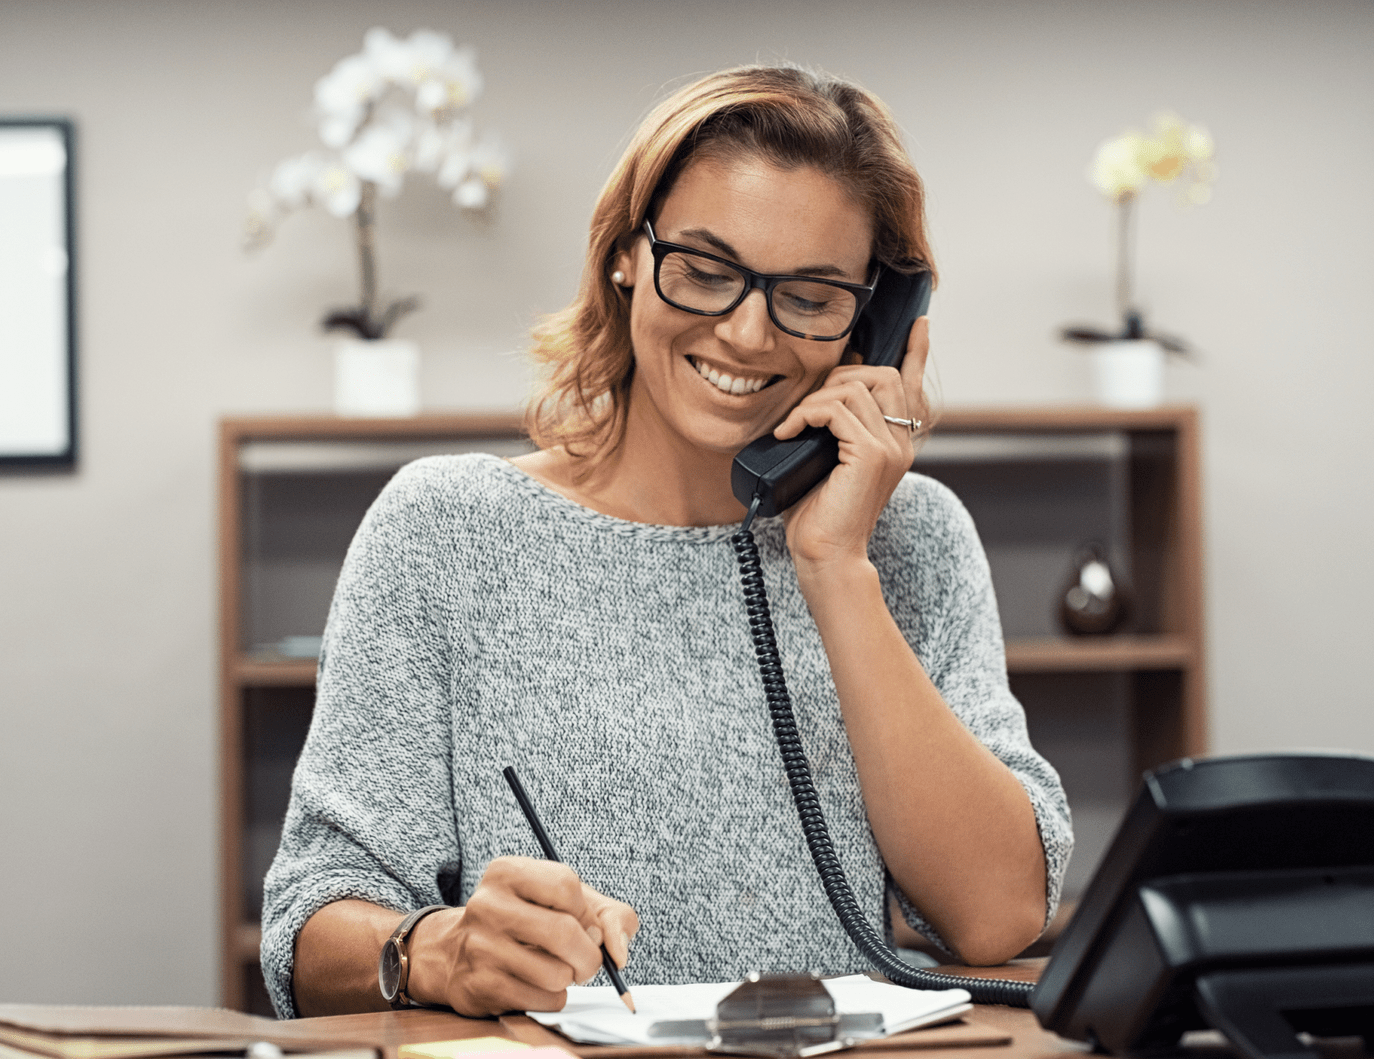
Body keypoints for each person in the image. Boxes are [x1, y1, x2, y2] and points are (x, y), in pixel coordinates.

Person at [261, 62, 1072, 1021]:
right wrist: (433, 950)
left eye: (810, 295)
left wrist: (835, 565)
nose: (745, 331)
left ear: (877, 323)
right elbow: (308, 924)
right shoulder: (446, 528)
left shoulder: (911, 537)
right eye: (705, 268)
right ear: (627, 255)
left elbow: (996, 918)